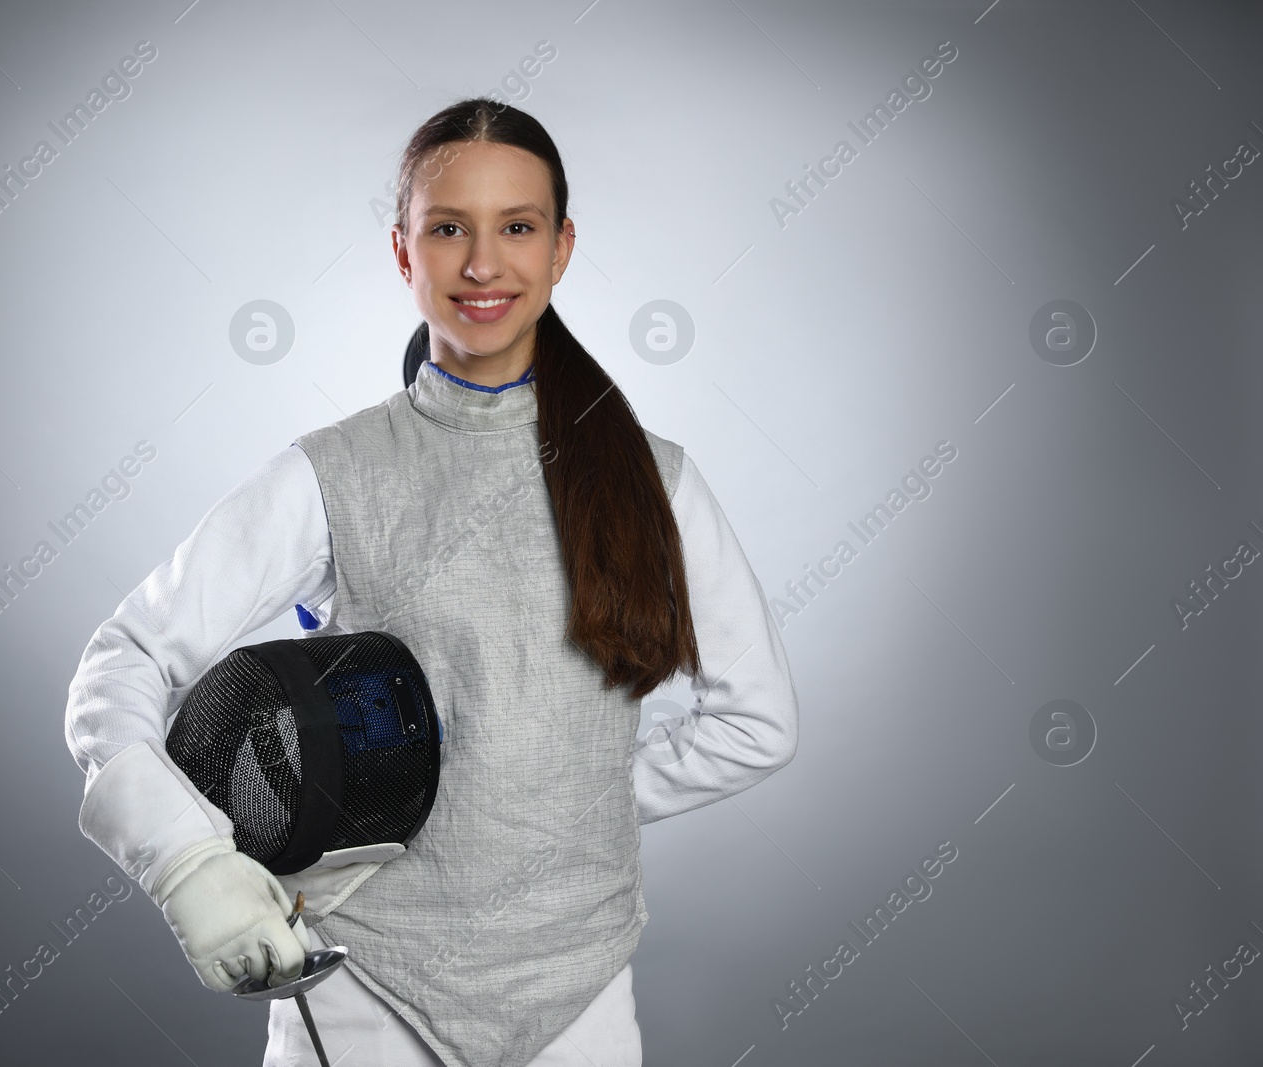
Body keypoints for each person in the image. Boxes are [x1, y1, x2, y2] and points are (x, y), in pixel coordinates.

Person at [64, 98, 800, 1067]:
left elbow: (756, 722)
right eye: (447, 228)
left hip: (575, 996)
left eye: (518, 228)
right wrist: (187, 858)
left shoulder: (650, 476)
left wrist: (558, 799)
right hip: (364, 991)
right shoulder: (335, 470)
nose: (483, 264)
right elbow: (125, 658)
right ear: (404, 253)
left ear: (563, 248)